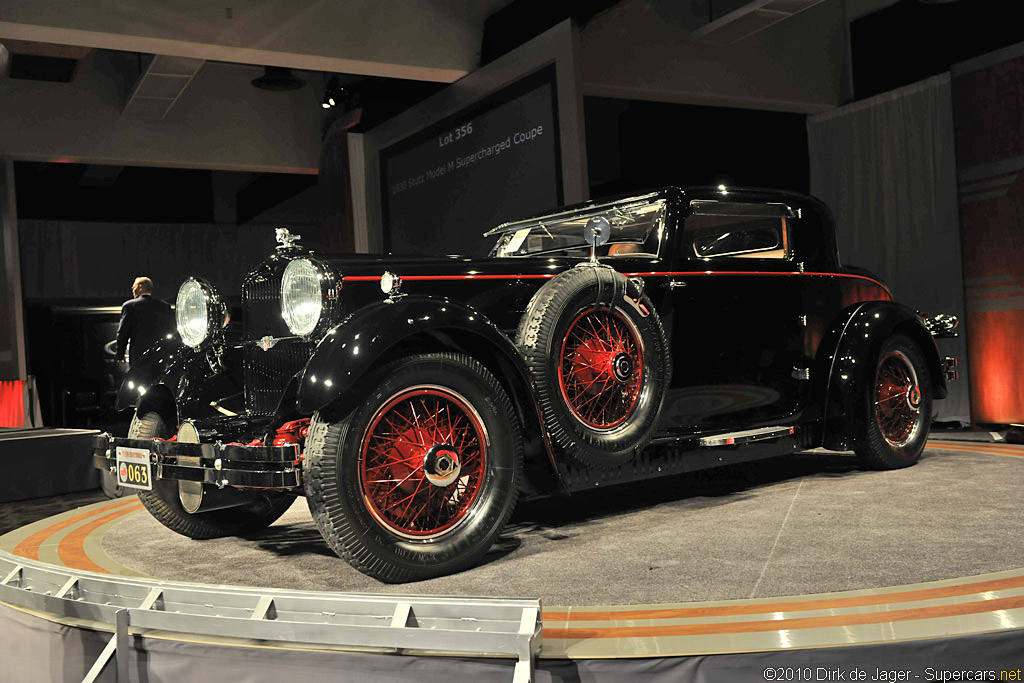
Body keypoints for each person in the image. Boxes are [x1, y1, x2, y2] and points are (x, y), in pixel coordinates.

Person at [116, 276, 174, 369]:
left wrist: (120, 356)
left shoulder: (129, 306)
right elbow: (172, 331)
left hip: (138, 356)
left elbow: (123, 333)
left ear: (140, 286)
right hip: (160, 356)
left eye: (133, 287)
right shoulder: (164, 307)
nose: (132, 290)